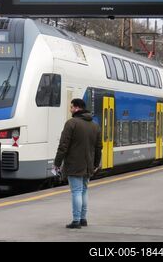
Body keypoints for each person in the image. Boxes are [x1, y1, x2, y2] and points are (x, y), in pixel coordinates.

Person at [54, 98, 102, 229]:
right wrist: (96, 163)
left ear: (76, 108)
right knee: (84, 191)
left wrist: (57, 163)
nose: (70, 109)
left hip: (74, 164)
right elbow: (99, 147)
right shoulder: (95, 125)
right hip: (88, 164)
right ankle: (83, 219)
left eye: (71, 107)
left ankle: (76, 221)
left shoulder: (71, 123)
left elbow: (63, 145)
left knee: (76, 191)